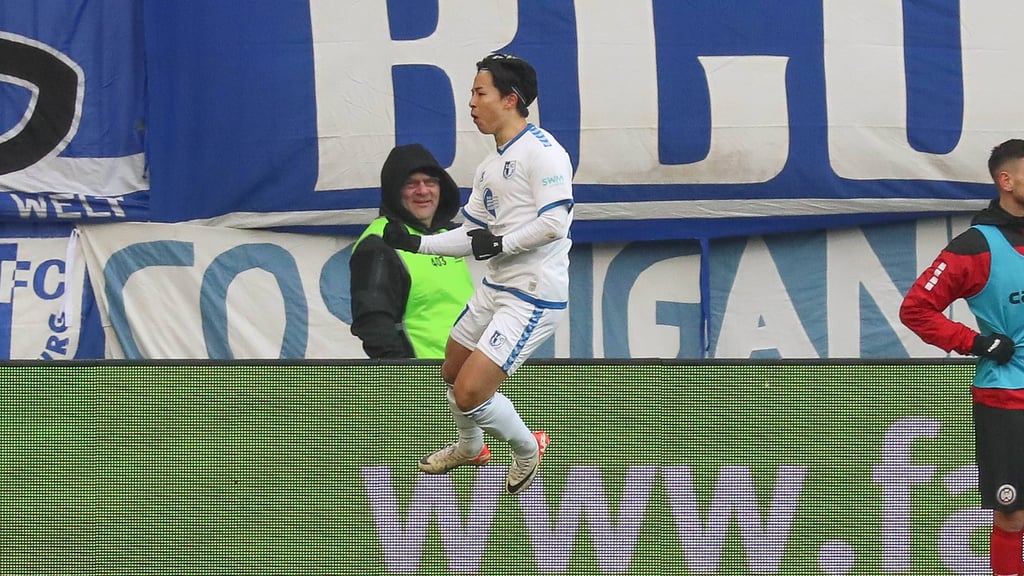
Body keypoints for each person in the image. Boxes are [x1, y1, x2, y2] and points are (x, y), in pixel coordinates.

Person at [382, 53, 573, 495]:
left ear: (510, 100)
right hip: (496, 287)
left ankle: (528, 449)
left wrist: (501, 244)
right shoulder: (490, 165)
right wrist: (418, 243)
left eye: (478, 92)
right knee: (451, 371)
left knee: (469, 393)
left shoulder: (544, 153)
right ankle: (470, 447)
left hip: (531, 294)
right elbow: (472, 233)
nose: (470, 102)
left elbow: (554, 224)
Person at [900, 139, 1024, 576]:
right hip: (1008, 401)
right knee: (1012, 516)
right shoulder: (975, 245)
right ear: (1005, 181)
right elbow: (915, 309)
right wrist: (975, 342)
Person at [349, 143, 474, 359]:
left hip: (466, 377)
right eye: (411, 184)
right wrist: (407, 377)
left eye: (430, 182)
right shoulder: (379, 243)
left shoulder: (447, 236)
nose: (423, 191)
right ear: (394, 192)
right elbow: (373, 324)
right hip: (421, 380)